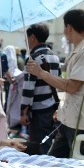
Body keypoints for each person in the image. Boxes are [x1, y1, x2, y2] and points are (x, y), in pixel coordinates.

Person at [26, 9, 84, 158]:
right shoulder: (81, 48)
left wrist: (40, 72)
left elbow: (72, 87)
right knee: (53, 163)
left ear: (68, 27)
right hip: (70, 120)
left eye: (64, 28)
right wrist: (63, 109)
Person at [20, 23, 61, 154]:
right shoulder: (54, 56)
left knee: (38, 146)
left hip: (38, 110)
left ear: (32, 37)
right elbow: (58, 80)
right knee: (48, 142)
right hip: (52, 107)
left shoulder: (33, 59)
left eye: (26, 38)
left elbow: (28, 89)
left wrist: (24, 112)